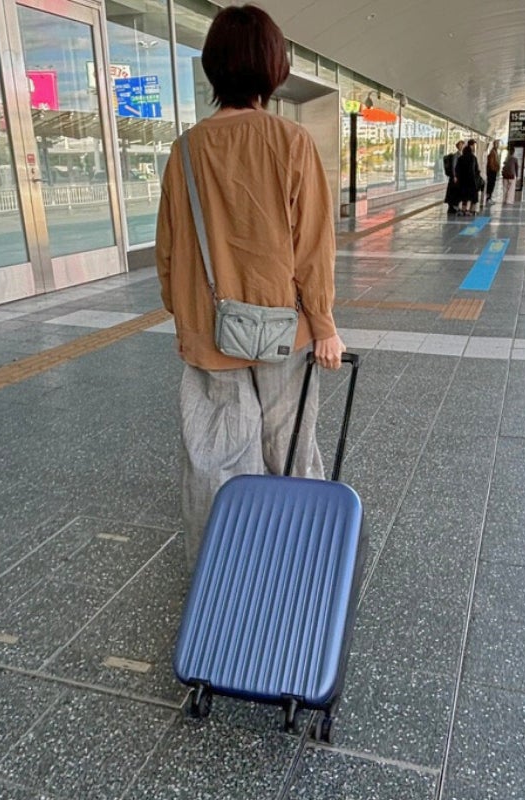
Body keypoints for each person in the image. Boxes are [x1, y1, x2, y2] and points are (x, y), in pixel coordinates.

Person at [155, 4, 345, 568]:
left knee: (215, 459)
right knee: (289, 449)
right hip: (285, 330)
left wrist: (187, 319)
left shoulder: (185, 151)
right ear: (273, 66)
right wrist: (325, 325)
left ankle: (222, 572)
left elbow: (168, 251)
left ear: (213, 67)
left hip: (210, 332)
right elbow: (313, 247)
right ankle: (294, 567)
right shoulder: (291, 141)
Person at [455, 143, 479, 215]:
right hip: (472, 181)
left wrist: (458, 178)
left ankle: (464, 210)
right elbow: (476, 170)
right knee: (474, 197)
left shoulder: (460, 158)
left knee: (464, 197)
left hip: (463, 181)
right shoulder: (473, 158)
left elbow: (457, 169)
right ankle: (472, 211)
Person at [443, 140, 463, 214]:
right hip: (455, 177)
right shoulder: (456, 155)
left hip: (458, 177)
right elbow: (453, 166)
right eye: (461, 145)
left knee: (455, 191)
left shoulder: (461, 154)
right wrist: (454, 176)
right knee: (453, 191)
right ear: (458, 146)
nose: (462, 146)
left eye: (462, 145)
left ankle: (454, 206)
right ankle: (452, 206)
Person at [484, 141, 500, 205]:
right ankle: (488, 198)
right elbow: (491, 162)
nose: (498, 145)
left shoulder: (495, 151)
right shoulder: (493, 152)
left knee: (491, 185)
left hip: (493, 171)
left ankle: (489, 198)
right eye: (497, 144)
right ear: (494, 144)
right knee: (490, 185)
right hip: (492, 171)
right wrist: (494, 169)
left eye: (498, 144)